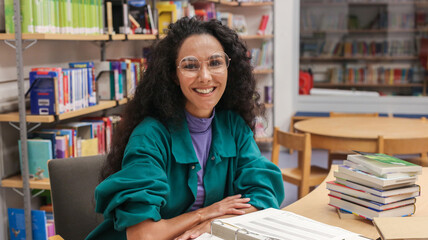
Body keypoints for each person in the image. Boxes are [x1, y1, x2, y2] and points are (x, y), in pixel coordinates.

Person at [86, 17, 285, 240]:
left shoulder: (233, 125)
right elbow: (143, 235)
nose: (205, 77)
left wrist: (214, 224)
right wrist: (205, 214)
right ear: (173, 75)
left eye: (215, 62)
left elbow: (264, 198)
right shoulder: (150, 136)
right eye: (190, 65)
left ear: (230, 67)